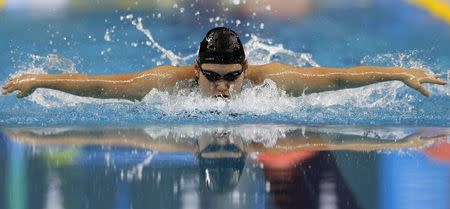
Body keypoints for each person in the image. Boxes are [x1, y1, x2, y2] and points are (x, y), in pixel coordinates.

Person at [1, 27, 447, 100]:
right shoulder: (165, 84)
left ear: (246, 70)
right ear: (195, 70)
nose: (223, 90)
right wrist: (43, 80)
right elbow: (102, 86)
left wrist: (399, 72)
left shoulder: (268, 82)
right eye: (211, 78)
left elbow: (335, 79)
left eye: (232, 78)